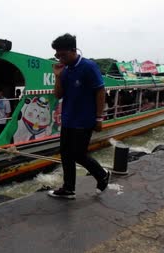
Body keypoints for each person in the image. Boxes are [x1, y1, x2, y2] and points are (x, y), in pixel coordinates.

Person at [48, 33, 110, 200]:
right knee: (66, 154)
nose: (60, 58)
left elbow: (100, 90)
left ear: (73, 50)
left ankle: (102, 175)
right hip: (68, 118)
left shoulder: (89, 66)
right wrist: (58, 76)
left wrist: (99, 118)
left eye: (63, 55)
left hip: (85, 120)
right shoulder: (65, 71)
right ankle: (69, 189)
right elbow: (58, 95)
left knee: (78, 154)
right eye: (57, 55)